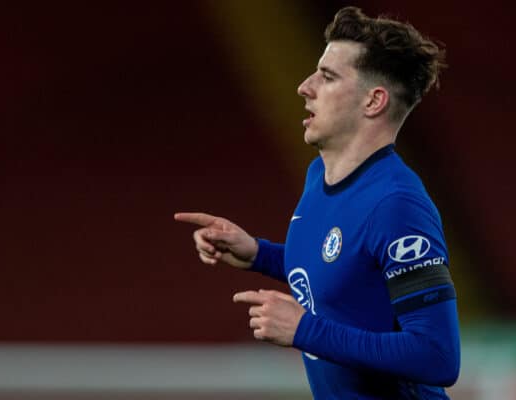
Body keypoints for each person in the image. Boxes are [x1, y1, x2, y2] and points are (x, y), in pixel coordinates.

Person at [175, 6, 460, 399]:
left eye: (327, 77)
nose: (304, 86)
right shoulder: (319, 175)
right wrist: (259, 254)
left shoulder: (397, 206)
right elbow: (347, 271)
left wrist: (304, 330)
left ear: (373, 101)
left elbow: (438, 356)